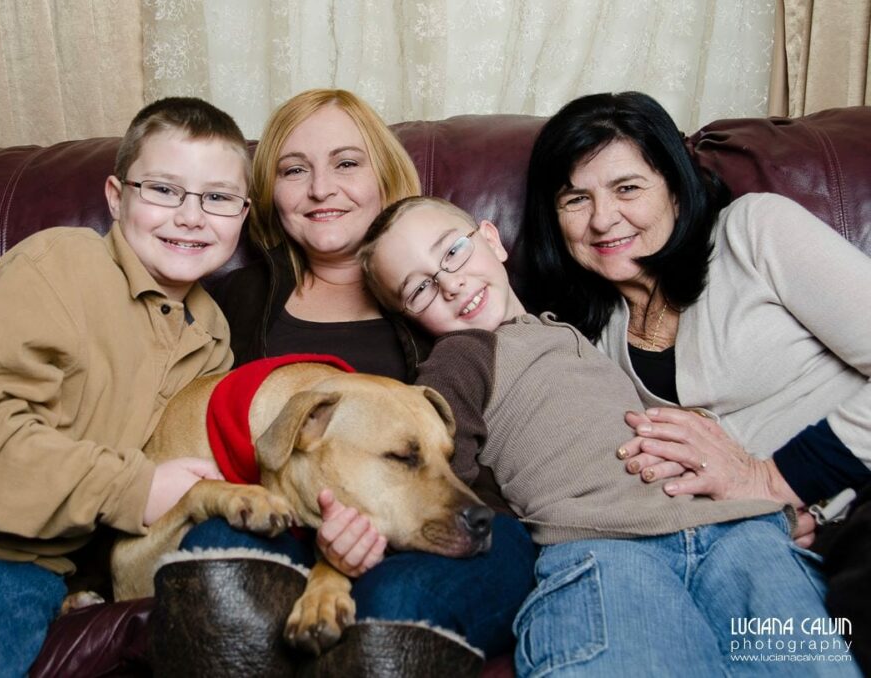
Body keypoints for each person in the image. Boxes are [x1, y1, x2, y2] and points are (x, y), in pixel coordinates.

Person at [359, 195, 859, 676]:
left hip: (738, 533)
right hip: (604, 546)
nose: (448, 283)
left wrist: (767, 510)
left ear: (491, 238)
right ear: (410, 317)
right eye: (419, 288)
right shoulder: (460, 357)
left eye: (452, 250)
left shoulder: (579, 334)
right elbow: (439, 462)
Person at [0, 97, 252, 675]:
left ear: (243, 213)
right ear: (116, 197)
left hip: (8, 561)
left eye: (218, 197)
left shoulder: (213, 340)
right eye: (163, 189)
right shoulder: (60, 264)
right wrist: (134, 490)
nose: (191, 216)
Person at [152, 89, 535, 674]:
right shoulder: (232, 299)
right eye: (293, 169)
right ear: (268, 195)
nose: (321, 188)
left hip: (455, 519)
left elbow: (551, 363)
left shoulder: (442, 284)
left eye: (346, 163)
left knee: (391, 604)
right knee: (215, 562)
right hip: (284, 523)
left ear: (383, 174)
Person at [521, 91, 871, 547]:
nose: (603, 220)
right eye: (576, 199)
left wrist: (776, 482)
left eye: (627, 188)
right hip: (771, 547)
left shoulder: (754, 231)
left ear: (676, 190)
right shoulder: (585, 339)